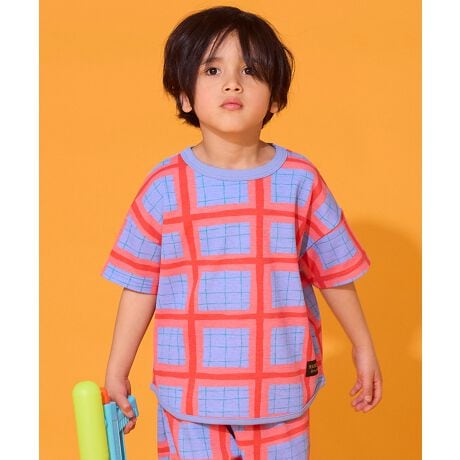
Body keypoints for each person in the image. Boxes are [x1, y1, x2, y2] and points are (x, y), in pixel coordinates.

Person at [101, 6, 383, 459]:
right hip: (189, 397)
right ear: (185, 96)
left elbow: (334, 272)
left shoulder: (300, 180)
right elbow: (140, 284)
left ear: (274, 99)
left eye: (250, 70)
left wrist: (362, 345)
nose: (232, 83)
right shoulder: (164, 186)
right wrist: (118, 368)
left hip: (279, 393)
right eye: (212, 70)